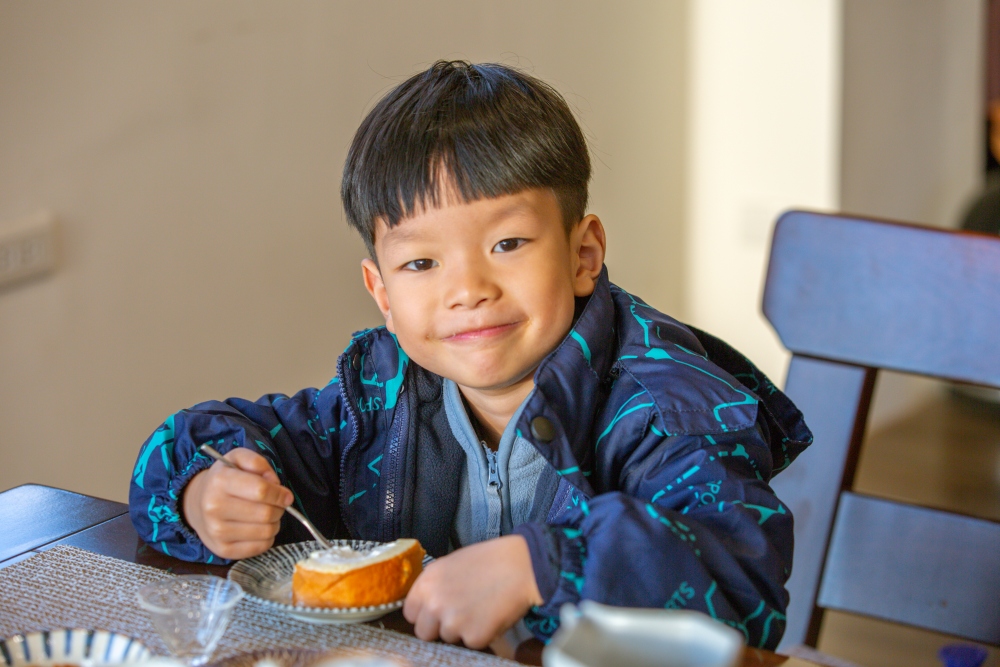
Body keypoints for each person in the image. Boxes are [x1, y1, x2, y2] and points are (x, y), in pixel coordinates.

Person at [129, 60, 812, 651]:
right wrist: (201, 490)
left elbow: (741, 580)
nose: (468, 291)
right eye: (423, 261)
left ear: (583, 254)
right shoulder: (377, 397)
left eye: (507, 244)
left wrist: (540, 566)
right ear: (383, 294)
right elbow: (218, 435)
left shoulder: (665, 406)